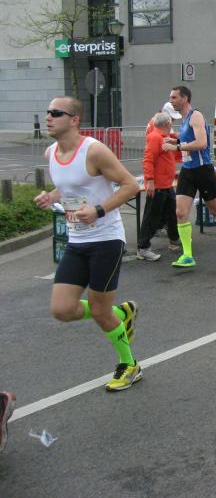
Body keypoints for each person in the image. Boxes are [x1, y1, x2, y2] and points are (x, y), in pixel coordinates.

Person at [34, 96, 142, 391]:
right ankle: (121, 313)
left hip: (106, 240)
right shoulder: (51, 152)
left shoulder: (94, 151)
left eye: (56, 113)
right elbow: (68, 186)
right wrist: (51, 196)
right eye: (47, 112)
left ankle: (130, 364)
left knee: (98, 311)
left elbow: (131, 185)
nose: (48, 117)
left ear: (74, 120)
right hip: (77, 240)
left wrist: (98, 210)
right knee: (61, 309)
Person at [162, 85, 216, 267]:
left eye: (174, 97)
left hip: (203, 170)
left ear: (185, 98)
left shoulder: (195, 116)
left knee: (215, 209)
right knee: (180, 212)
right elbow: (190, 138)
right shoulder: (184, 119)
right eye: (170, 98)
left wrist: (176, 147)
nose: (171, 101)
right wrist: (177, 140)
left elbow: (202, 143)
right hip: (188, 171)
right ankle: (188, 255)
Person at [136, 112, 182, 261]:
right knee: (152, 217)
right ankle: (143, 247)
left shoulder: (162, 137)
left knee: (171, 215)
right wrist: (150, 180)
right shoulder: (155, 137)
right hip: (159, 185)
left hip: (165, 185)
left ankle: (174, 239)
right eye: (171, 122)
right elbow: (148, 160)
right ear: (168, 124)